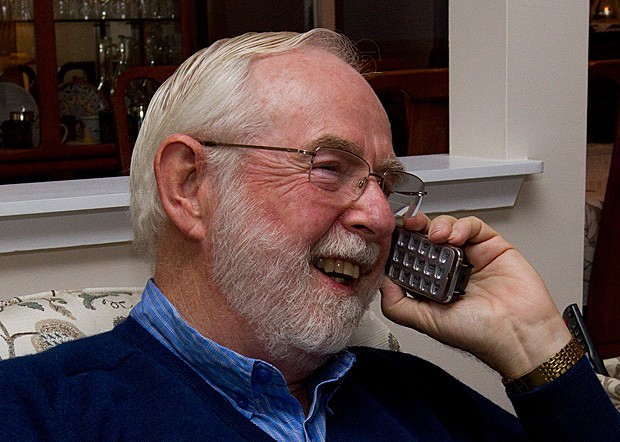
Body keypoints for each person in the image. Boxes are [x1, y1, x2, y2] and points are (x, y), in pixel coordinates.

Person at [1, 29, 619, 441]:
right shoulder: (37, 413)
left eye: (386, 182)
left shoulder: (416, 400)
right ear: (189, 186)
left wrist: (533, 345)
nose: (380, 217)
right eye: (330, 168)